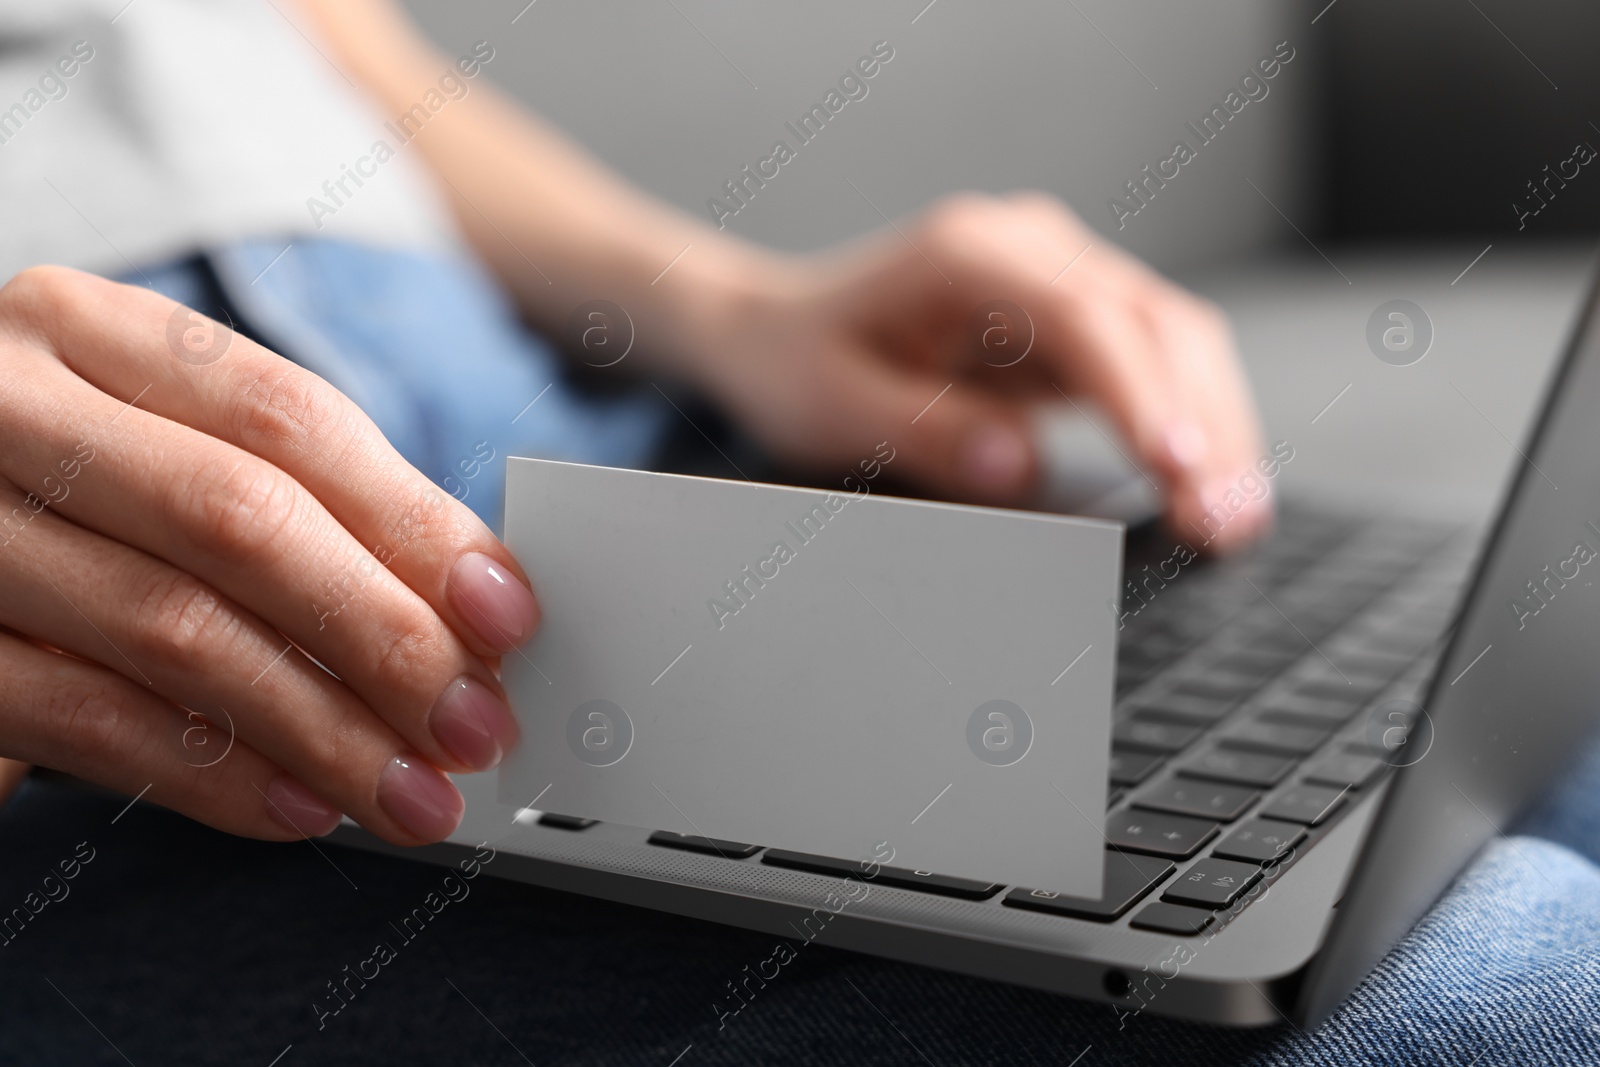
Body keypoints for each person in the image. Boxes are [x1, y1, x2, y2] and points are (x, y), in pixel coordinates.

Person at [5, 4, 1594, 1066]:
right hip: (92, 673)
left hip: (538, 392)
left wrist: (723, 304)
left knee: (1480, 728)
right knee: (1506, 990)